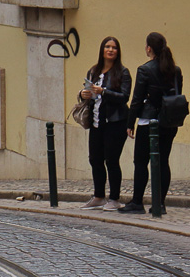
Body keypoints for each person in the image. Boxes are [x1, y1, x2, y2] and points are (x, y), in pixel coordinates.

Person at [122, 32, 183, 215]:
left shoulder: (145, 69)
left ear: (149, 48)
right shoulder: (175, 70)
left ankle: (137, 202)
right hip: (169, 122)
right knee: (163, 162)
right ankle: (160, 204)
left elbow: (137, 99)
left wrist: (130, 122)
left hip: (149, 122)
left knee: (141, 162)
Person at [78, 36, 132, 211]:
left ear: (118, 52)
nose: (110, 50)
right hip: (96, 122)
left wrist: (104, 91)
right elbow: (88, 93)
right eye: (107, 47)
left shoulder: (123, 73)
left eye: (114, 48)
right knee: (95, 159)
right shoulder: (93, 71)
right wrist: (83, 94)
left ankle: (114, 198)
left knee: (112, 160)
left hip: (115, 123)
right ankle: (99, 196)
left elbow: (124, 97)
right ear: (102, 50)